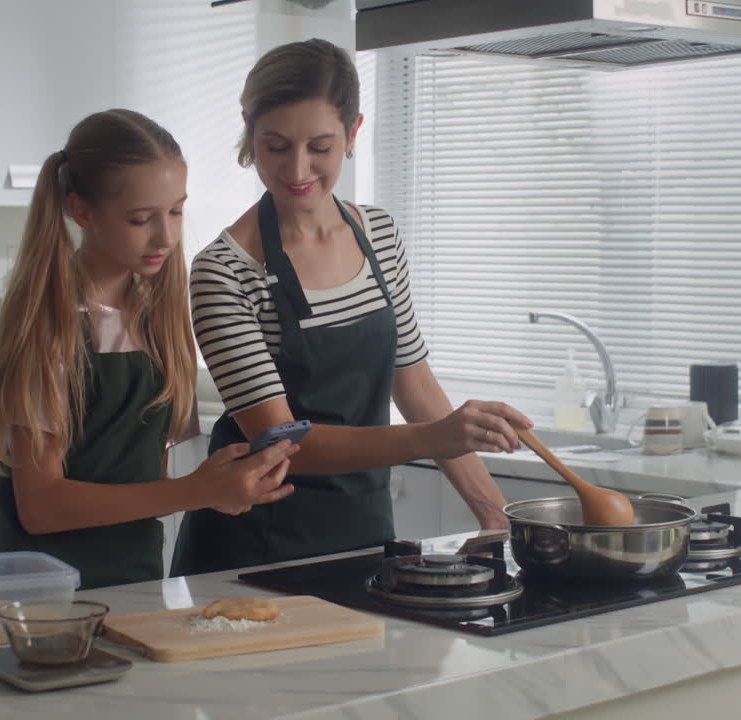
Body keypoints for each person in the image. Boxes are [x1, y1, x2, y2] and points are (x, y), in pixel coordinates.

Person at [171, 39, 532, 576]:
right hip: (254, 552)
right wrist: (439, 435)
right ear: (250, 131)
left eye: (319, 146)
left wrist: (495, 516)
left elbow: (413, 384)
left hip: (364, 536)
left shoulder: (378, 234)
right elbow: (284, 441)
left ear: (353, 132)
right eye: (275, 146)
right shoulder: (224, 271)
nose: (297, 169)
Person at [0, 109, 299, 590]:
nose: (166, 236)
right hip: (43, 602)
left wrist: (214, 491)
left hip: (135, 587)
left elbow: (141, 484)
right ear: (82, 212)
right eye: (140, 219)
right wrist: (195, 491)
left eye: (175, 211)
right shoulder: (50, 328)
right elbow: (41, 508)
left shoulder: (158, 324)